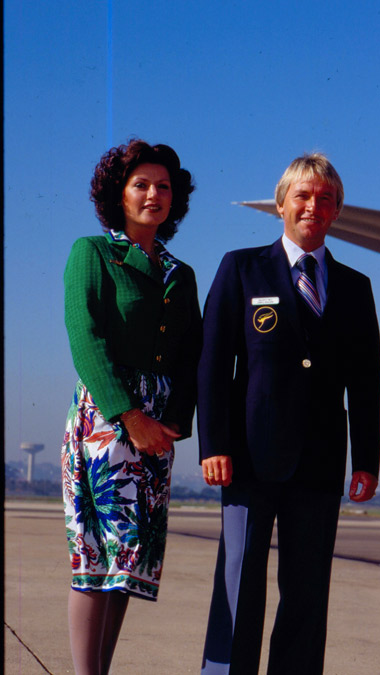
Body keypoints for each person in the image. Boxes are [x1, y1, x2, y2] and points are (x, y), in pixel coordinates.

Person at [198, 153, 380, 674]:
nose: (313, 206)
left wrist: (365, 459)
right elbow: (213, 365)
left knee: (306, 594)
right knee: (240, 584)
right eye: (302, 195)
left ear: (338, 211)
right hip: (249, 459)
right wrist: (214, 444)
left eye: (325, 199)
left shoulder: (355, 286)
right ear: (280, 204)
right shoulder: (241, 267)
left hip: (320, 464)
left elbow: (366, 381)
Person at [62, 139, 201, 674]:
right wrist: (129, 416)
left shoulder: (179, 273)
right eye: (141, 184)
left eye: (163, 186)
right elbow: (86, 338)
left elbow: (193, 353)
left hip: (158, 429)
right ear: (118, 195)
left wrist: (174, 421)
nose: (153, 194)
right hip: (107, 420)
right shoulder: (92, 253)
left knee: (130, 561)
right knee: (95, 558)